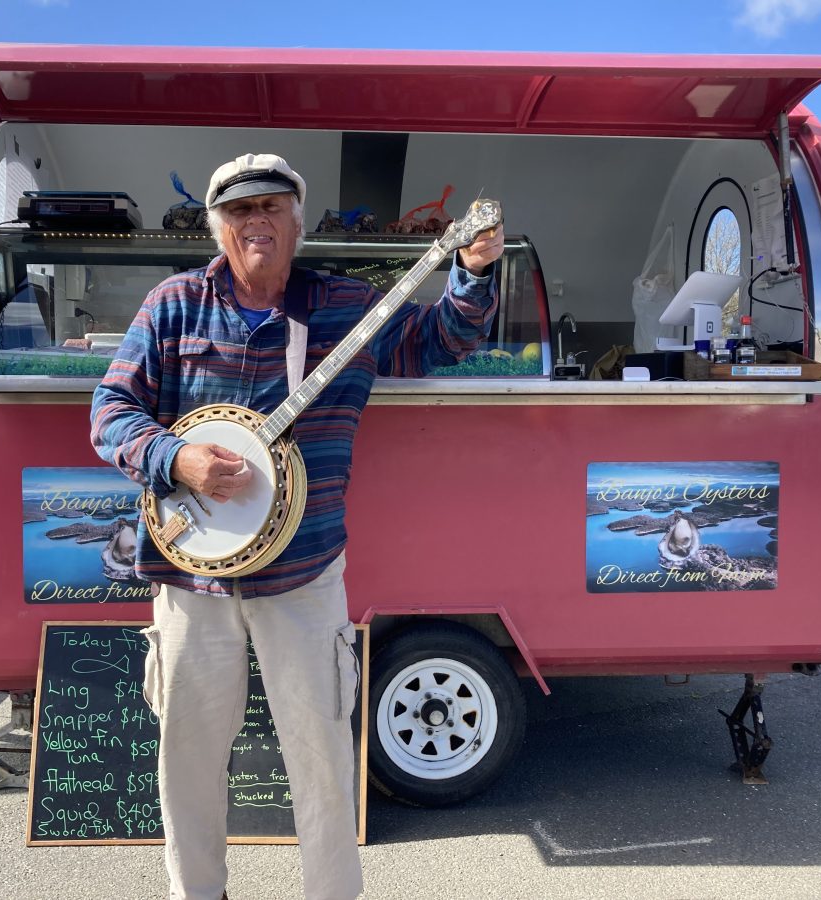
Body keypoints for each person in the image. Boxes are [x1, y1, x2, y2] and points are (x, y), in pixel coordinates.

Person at [90, 152, 504, 900]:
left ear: (297, 221)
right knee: (185, 762)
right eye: (241, 211)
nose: (257, 222)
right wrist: (175, 459)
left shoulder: (349, 307)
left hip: (305, 574)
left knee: (320, 761)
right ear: (218, 227)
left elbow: (441, 340)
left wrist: (471, 272)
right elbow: (110, 411)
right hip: (191, 578)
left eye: (271, 208)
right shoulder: (174, 304)